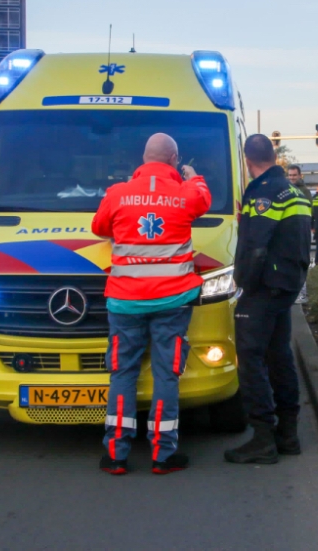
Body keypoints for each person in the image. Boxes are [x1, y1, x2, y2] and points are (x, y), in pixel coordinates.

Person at [91, 133, 211, 476]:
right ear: (173, 159)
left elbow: (99, 227)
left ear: (143, 160)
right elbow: (203, 199)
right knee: (166, 375)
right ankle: (163, 453)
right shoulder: (185, 193)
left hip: (126, 301)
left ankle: (116, 454)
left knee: (123, 373)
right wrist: (193, 176)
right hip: (172, 301)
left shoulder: (118, 193)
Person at [226, 134, 311, 465]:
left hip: (264, 286)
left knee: (250, 357)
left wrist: (241, 282)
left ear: (248, 162)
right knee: (279, 356)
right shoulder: (294, 191)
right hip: (287, 284)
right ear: (274, 156)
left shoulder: (263, 193)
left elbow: (256, 246)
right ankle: (287, 435)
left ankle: (262, 437)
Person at [287, 165, 311, 303]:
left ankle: (302, 293)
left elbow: (308, 211)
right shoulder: (286, 191)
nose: (292, 178)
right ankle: (292, 292)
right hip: (289, 233)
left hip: (302, 231)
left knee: (301, 262)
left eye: (294, 175)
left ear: (300, 176)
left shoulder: (305, 192)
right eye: (290, 175)